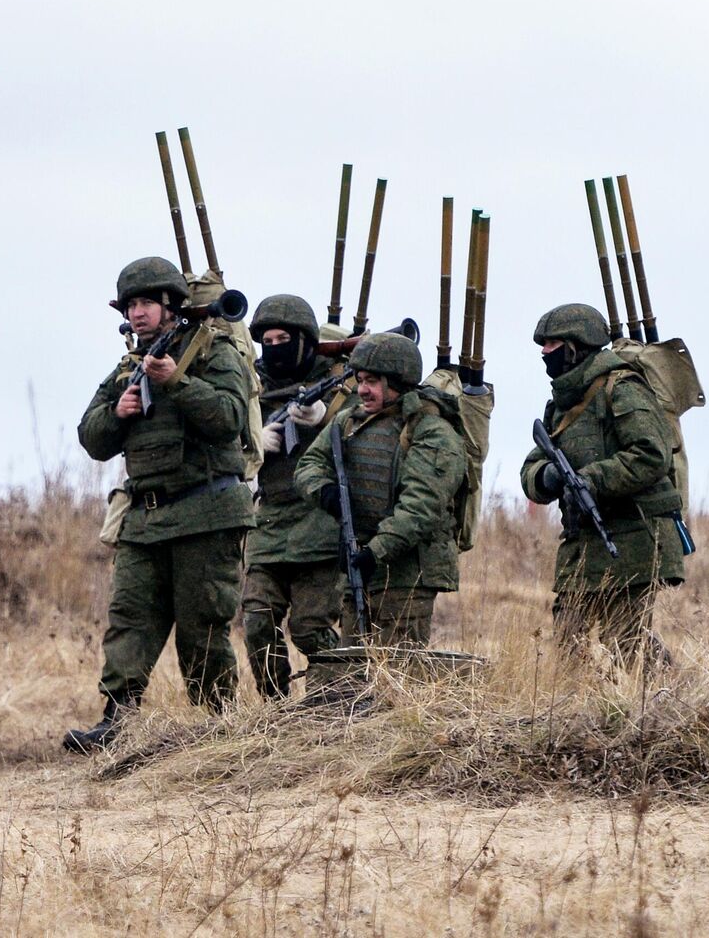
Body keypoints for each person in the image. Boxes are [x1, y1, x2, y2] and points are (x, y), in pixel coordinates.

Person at [64, 257, 254, 752]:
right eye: (131, 304)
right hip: (145, 519)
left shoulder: (214, 352)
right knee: (130, 617)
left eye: (147, 302)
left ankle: (220, 727)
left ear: (171, 306)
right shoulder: (128, 367)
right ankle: (117, 721)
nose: (138, 312)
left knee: (202, 626)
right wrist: (118, 412)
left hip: (206, 512)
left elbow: (230, 417)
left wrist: (177, 381)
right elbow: (92, 437)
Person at [520, 303, 685, 662]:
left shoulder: (623, 388)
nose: (544, 352)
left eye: (552, 344)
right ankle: (570, 712)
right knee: (568, 643)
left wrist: (590, 480)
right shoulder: (561, 404)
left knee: (626, 642)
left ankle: (665, 704)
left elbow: (650, 454)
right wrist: (548, 477)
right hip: (583, 543)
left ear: (576, 345)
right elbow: (531, 469)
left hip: (633, 536)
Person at [294, 332, 465, 647]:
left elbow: (420, 507)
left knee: (399, 674)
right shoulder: (347, 422)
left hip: (408, 575)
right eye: (359, 380)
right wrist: (325, 491)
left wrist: (376, 552)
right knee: (351, 672)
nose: (361, 389)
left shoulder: (431, 432)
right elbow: (309, 466)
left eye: (371, 381)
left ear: (396, 383)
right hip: (359, 565)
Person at [242, 294, 347, 700]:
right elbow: (218, 442)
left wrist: (326, 418)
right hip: (268, 524)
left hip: (319, 526)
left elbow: (369, 432)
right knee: (256, 621)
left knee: (310, 628)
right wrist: (252, 445)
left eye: (283, 337)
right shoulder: (252, 387)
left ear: (304, 340)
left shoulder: (339, 384)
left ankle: (338, 701)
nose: (274, 346)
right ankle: (275, 707)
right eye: (266, 339)